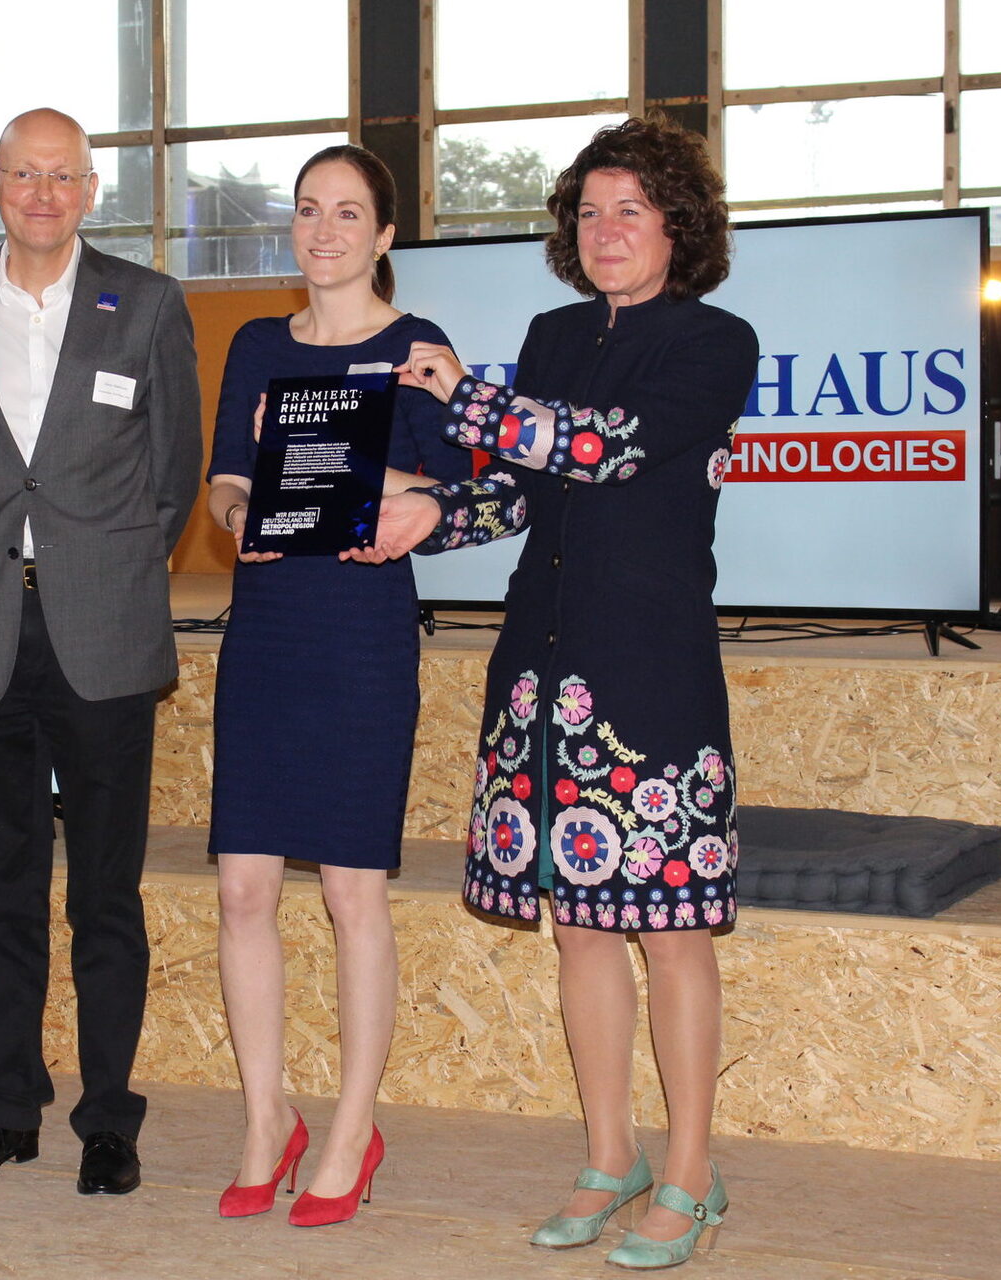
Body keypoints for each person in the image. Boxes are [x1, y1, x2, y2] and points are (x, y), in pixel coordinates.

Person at [377, 115, 758, 1268]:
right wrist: (426, 512)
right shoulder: (551, 336)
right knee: (581, 926)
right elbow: (521, 488)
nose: (605, 229)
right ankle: (610, 1155)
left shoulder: (715, 340)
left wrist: (467, 396)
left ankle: (689, 1171)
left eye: (630, 209)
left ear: (679, 225)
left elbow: (605, 447)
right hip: (539, 677)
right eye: (589, 212)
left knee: (671, 932)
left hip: (649, 676)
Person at [204, 145, 523, 1228]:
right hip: (268, 628)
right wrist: (243, 516)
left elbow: (460, 490)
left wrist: (337, 458)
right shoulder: (256, 343)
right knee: (242, 889)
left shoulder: (416, 349)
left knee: (351, 893)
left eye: (349, 213)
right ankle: (266, 1120)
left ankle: (352, 1128)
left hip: (359, 632)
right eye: (308, 209)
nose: (324, 229)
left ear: (385, 235)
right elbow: (228, 481)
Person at [0, 107, 202, 1196]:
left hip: (104, 635)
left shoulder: (147, 303)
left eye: (62, 176)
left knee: (107, 895)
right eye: (24, 175)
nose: (42, 193)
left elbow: (173, 472)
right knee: (4, 891)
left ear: (89, 189)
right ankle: (4, 1110)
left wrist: (102, 569)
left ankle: (108, 1119)